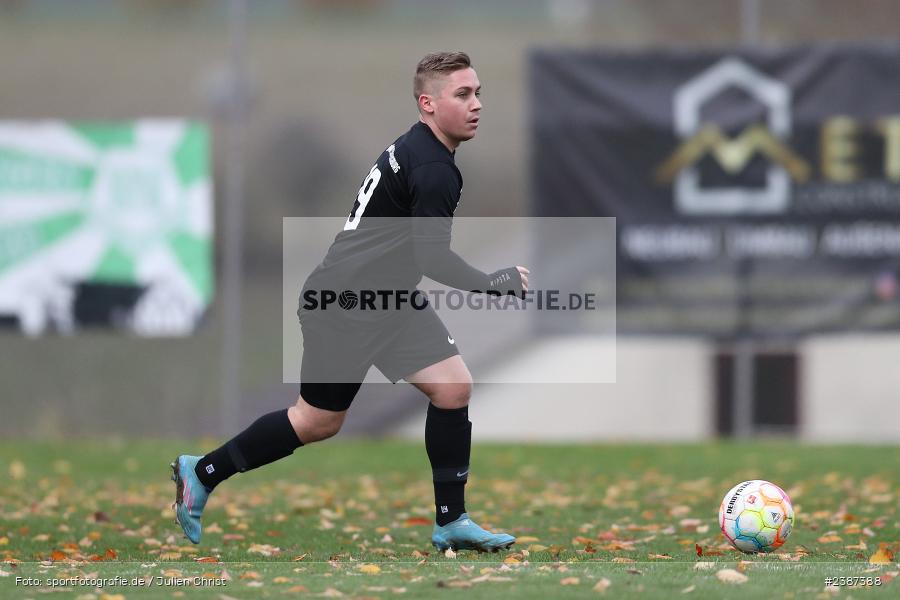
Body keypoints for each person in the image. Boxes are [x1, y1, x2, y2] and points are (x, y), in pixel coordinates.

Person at [171, 51, 529, 553]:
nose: (477, 104)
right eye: (463, 94)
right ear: (428, 104)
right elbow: (431, 258)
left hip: (388, 299)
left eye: (478, 93)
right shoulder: (433, 168)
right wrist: (494, 283)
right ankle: (202, 471)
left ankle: (452, 521)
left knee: (452, 388)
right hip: (345, 303)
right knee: (316, 421)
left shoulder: (420, 147)